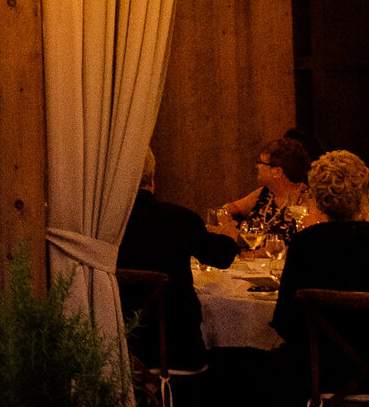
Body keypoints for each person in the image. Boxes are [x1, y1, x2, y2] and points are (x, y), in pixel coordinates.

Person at [271, 150, 369, 361]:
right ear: (361, 193)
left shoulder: (305, 243)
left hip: (320, 370)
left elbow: (284, 321)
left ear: (317, 197)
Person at [116, 147, 237, 371]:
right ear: (152, 177)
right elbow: (222, 257)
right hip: (179, 351)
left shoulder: (104, 225)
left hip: (116, 352)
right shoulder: (181, 218)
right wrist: (230, 237)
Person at [215, 136, 309, 242]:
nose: (257, 166)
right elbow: (230, 207)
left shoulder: (306, 202)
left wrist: (257, 253)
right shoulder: (265, 193)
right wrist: (226, 221)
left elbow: (306, 244)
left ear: (277, 172)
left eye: (261, 163)